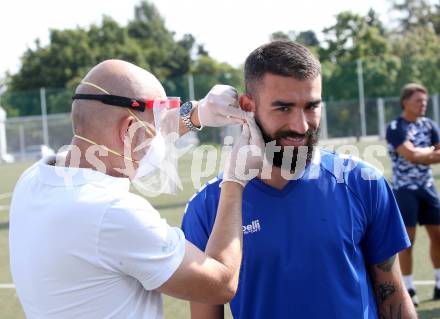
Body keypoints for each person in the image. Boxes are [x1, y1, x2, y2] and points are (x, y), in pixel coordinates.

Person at [9, 59, 265, 319]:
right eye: (155, 125)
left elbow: (121, 124)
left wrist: (197, 112)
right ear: (129, 130)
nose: (159, 139)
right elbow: (220, 284)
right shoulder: (112, 213)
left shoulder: (34, 179)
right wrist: (235, 180)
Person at [182, 40, 416, 319]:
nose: (301, 125)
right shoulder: (207, 206)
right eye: (284, 108)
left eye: (311, 107)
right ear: (247, 106)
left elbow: (394, 300)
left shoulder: (363, 182)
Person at [386, 83, 440, 306]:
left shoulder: (430, 125)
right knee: (407, 242)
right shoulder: (395, 126)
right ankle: (408, 287)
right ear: (405, 102)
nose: (423, 104)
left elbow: (428, 153)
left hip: (428, 188)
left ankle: (439, 283)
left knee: (438, 235)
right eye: (418, 101)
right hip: (405, 189)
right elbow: (409, 154)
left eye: (425, 101)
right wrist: (427, 153)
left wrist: (421, 154)